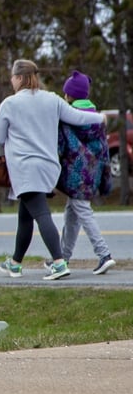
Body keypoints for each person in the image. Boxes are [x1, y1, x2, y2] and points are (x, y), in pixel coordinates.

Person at [0, 59, 105, 280]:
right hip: (48, 167)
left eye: (13, 77)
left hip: (25, 168)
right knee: (26, 216)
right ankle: (15, 263)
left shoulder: (9, 104)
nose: (11, 81)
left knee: (41, 213)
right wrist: (99, 118)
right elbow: (77, 117)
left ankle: (59, 263)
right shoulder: (51, 99)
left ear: (21, 78)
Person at [51, 70, 115, 274]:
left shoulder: (69, 119)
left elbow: (61, 146)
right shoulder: (97, 118)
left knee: (83, 213)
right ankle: (63, 257)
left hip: (75, 174)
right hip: (92, 172)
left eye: (65, 93)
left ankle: (104, 254)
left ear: (70, 95)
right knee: (72, 214)